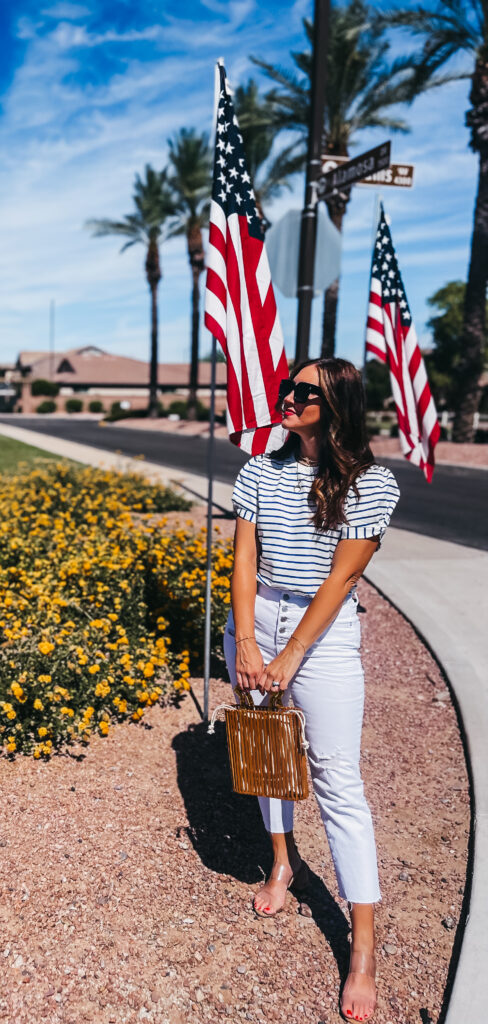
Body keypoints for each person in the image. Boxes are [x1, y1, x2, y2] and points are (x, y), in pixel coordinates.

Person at [224, 357, 400, 1023]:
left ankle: (362, 948)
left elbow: (342, 581)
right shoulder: (259, 470)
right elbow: (244, 557)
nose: (288, 398)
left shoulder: (372, 484)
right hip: (259, 615)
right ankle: (282, 864)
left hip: (319, 633)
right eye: (286, 388)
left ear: (338, 407)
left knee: (335, 778)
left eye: (305, 393)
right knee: (269, 753)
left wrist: (289, 655)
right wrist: (245, 642)